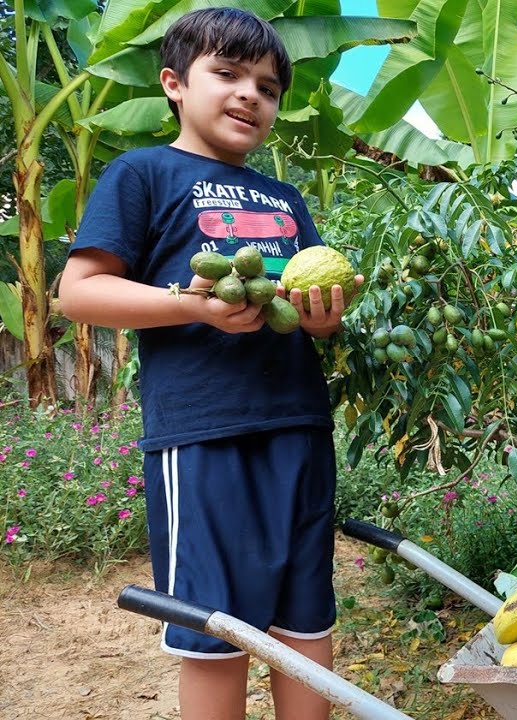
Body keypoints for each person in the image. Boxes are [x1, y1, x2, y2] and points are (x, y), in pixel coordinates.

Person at [58, 8, 361, 718]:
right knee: (216, 631)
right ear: (174, 83)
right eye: (227, 74)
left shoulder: (285, 197)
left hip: (299, 427)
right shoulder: (143, 173)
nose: (250, 94)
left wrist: (325, 318)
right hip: (202, 434)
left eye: (268, 87)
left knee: (305, 620)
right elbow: (79, 292)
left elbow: (309, 309)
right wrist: (193, 306)